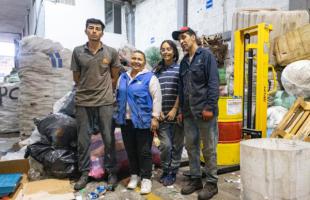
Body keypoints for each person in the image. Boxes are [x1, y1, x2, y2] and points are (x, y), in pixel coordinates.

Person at [71, 18, 121, 190]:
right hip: (83, 102)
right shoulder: (77, 52)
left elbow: (115, 77)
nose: (94, 31)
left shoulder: (111, 52)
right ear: (85, 31)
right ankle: (84, 173)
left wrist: (104, 90)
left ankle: (111, 172)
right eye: (90, 28)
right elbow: (76, 78)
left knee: (108, 138)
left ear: (102, 32)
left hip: (105, 102)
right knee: (83, 140)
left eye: (97, 28)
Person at [172, 27, 219, 200]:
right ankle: (196, 179)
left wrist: (210, 107)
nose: (182, 41)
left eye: (184, 37)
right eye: (180, 40)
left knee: (209, 148)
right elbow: (183, 88)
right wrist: (182, 111)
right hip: (189, 113)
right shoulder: (184, 62)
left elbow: (214, 83)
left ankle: (212, 183)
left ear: (193, 37)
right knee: (191, 146)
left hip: (204, 111)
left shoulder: (206, 56)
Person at [114, 50, 162, 194]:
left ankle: (146, 179)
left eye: (139, 59)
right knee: (130, 150)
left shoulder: (150, 77)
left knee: (144, 151)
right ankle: (134, 176)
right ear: (130, 60)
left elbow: (157, 98)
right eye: (134, 58)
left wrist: (155, 117)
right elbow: (117, 96)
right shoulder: (123, 77)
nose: (136, 61)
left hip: (143, 121)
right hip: (125, 121)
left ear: (144, 61)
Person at [153, 40, 184, 186]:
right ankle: (166, 170)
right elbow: (152, 93)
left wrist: (175, 109)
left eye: (168, 49)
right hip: (161, 115)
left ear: (174, 52)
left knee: (177, 146)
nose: (166, 52)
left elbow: (181, 90)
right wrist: (156, 112)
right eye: (163, 49)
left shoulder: (180, 69)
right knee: (166, 146)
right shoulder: (156, 71)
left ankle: (173, 172)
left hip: (177, 115)